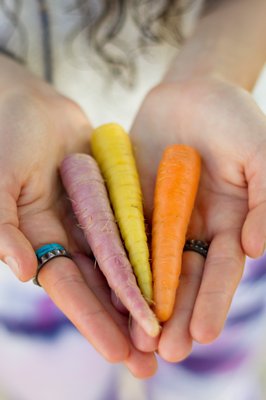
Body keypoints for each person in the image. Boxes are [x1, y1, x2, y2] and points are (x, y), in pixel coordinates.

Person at [0, 0, 266, 399]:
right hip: (32, 212)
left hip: (225, 185)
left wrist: (216, 71)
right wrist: (11, 92)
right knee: (61, 380)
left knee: (212, 365)